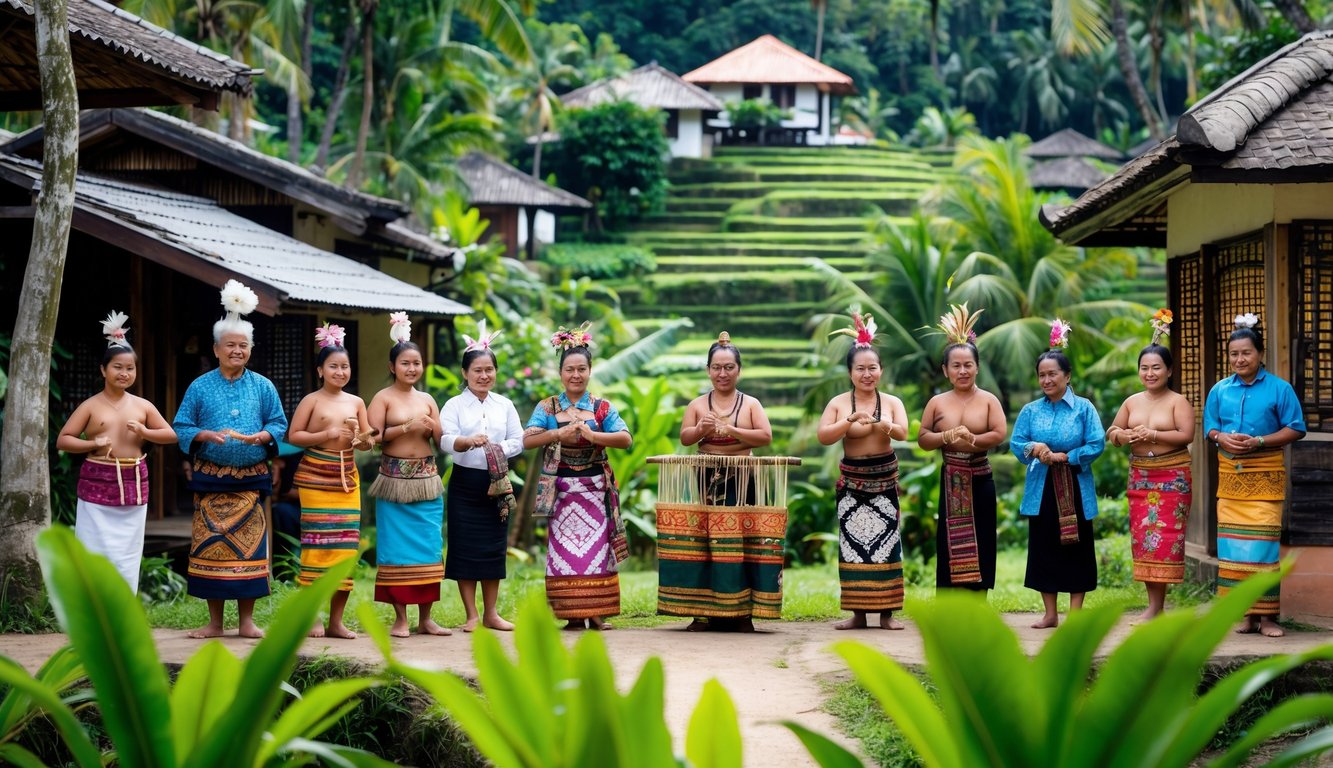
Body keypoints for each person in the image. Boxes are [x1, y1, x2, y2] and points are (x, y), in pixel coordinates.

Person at [173, 280, 288, 638]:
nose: (237, 351)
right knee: (212, 550)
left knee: (249, 552)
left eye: (243, 345)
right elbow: (181, 425)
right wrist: (201, 435)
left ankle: (248, 622)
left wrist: (264, 436)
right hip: (211, 480)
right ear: (216, 348)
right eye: (230, 345)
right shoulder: (200, 386)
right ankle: (214, 623)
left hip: (250, 481)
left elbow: (279, 423)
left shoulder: (263, 386)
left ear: (250, 350)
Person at [523, 323, 633, 631]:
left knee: (598, 551)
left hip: (595, 491)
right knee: (565, 552)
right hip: (561, 492)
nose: (575, 375)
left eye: (581, 369)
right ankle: (571, 613)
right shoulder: (548, 407)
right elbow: (528, 439)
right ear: (561, 373)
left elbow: (625, 438)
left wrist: (591, 435)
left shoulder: (601, 408)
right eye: (569, 369)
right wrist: (558, 432)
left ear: (589, 371)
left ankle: (596, 612)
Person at [57, 311, 176, 593]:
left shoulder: (143, 406)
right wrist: (91, 445)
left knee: (128, 552)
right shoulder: (90, 405)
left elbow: (171, 435)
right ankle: (92, 606)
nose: (124, 373)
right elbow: (63, 440)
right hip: (97, 482)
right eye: (117, 367)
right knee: (92, 546)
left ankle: (123, 605)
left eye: (130, 368)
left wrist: (146, 433)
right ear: (103, 370)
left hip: (133, 482)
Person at [665, 331, 775, 632]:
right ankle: (702, 612)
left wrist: (733, 431)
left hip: (743, 477)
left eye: (729, 367)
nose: (722, 373)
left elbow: (765, 437)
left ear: (739, 370)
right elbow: (686, 438)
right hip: (706, 476)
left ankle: (741, 613)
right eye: (717, 367)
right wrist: (702, 427)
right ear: (708, 370)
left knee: (741, 542)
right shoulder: (698, 405)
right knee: (705, 543)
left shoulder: (751, 404)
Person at [1203, 313, 1305, 637]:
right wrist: (1221, 438)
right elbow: (1209, 428)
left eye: (1246, 352)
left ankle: (1269, 617)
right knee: (1233, 549)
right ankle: (1246, 616)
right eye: (1234, 354)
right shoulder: (1219, 390)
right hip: (1231, 482)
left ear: (1260, 354)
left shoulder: (1280, 389)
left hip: (1265, 478)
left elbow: (1296, 428)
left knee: (1263, 547)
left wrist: (1260, 441)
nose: (1239, 359)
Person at [816, 311, 910, 629]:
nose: (867, 374)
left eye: (872, 368)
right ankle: (858, 613)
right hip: (852, 484)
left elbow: (904, 433)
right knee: (853, 548)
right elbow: (824, 435)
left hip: (884, 483)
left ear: (881, 370)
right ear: (850, 373)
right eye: (860, 369)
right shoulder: (839, 403)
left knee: (887, 547)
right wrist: (849, 421)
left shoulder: (892, 402)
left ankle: (887, 614)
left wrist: (885, 424)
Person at [1010, 319, 1104, 629]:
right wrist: (1035, 449)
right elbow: (1016, 442)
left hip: (1075, 484)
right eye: (1042, 375)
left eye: (1053, 374)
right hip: (1042, 486)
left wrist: (1070, 455)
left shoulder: (1084, 408)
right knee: (1044, 546)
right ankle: (1050, 613)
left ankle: (1075, 613)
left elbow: (1097, 442)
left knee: (1076, 547)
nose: (1047, 380)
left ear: (1067, 375)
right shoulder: (1031, 410)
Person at [285, 323, 375, 639]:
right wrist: (326, 434)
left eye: (344, 366)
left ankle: (336, 621)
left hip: (347, 479)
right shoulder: (312, 400)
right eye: (333, 366)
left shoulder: (357, 402)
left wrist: (359, 437)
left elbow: (367, 443)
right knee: (317, 546)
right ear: (320, 370)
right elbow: (293, 436)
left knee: (345, 549)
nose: (340, 372)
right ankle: (311, 617)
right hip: (315, 477)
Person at [1108, 309, 1195, 620]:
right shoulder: (1132, 401)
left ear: (1169, 370)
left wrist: (1154, 433)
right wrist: (1126, 435)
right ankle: (1153, 605)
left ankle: (1158, 606)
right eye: (1144, 368)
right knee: (1144, 539)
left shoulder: (1178, 401)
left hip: (1172, 478)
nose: (1150, 373)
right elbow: (1112, 432)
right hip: (1140, 478)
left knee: (1165, 539)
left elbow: (1186, 434)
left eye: (1156, 368)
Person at [367, 312, 448, 638]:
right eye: (405, 363)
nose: (412, 368)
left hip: (427, 478)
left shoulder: (428, 399)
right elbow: (371, 438)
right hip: (394, 481)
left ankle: (426, 618)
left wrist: (435, 428)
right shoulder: (382, 398)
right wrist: (406, 427)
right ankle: (400, 618)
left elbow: (442, 442)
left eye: (417, 362)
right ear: (392, 367)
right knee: (396, 548)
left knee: (429, 545)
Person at [440, 323, 524, 633]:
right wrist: (465, 441)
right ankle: (472, 615)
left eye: (489, 369)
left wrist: (497, 447)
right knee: (464, 547)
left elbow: (520, 439)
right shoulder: (453, 405)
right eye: (477, 370)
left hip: (497, 483)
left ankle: (491, 613)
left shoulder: (505, 405)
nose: (484, 375)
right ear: (465, 373)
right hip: (464, 484)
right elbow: (445, 440)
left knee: (492, 547)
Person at [917, 304, 1007, 591]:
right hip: (950, 479)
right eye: (956, 365)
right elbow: (923, 438)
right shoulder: (937, 403)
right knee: (948, 539)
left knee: (982, 537)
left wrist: (975, 441)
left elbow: (999, 433)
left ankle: (978, 599)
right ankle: (950, 601)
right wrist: (947, 437)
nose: (963, 370)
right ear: (945, 370)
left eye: (968, 364)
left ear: (977, 367)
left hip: (981, 478)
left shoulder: (989, 400)